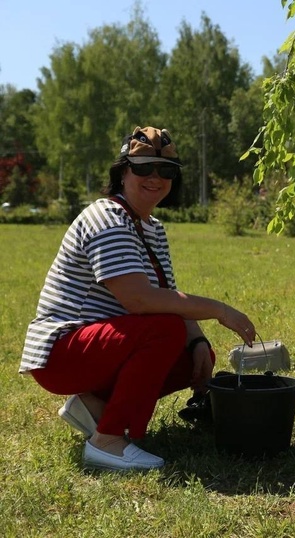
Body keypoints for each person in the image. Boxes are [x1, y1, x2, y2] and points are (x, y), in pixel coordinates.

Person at [20, 126, 257, 472]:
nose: (155, 178)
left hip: (96, 346)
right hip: (61, 352)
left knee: (187, 353)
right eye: (144, 167)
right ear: (123, 171)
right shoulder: (107, 217)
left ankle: (93, 406)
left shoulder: (152, 227)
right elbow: (140, 301)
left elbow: (167, 296)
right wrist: (219, 310)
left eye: (167, 171)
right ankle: (108, 441)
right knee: (163, 330)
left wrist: (199, 343)